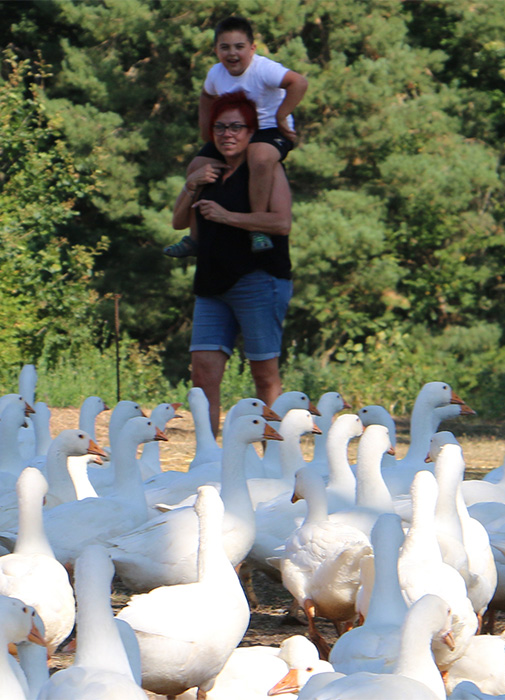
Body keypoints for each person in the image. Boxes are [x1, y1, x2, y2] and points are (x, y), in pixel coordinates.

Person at [172, 91, 295, 434]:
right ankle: (209, 462)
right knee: (202, 375)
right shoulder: (207, 172)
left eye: (237, 127)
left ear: (251, 132)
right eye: (220, 127)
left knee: (263, 373)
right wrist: (190, 185)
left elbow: (281, 223)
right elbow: (178, 222)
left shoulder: (267, 169)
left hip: (259, 280)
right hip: (212, 284)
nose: (228, 134)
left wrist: (228, 217)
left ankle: (274, 461)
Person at [165, 15, 308, 258]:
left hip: (269, 129)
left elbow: (299, 82)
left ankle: (257, 228)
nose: (232, 53)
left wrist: (283, 116)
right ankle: (195, 237)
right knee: (197, 166)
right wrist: (206, 128)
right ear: (216, 50)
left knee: (260, 157)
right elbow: (207, 96)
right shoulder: (215, 73)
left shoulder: (264, 68)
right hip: (234, 129)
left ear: (252, 48)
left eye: (239, 47)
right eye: (225, 47)